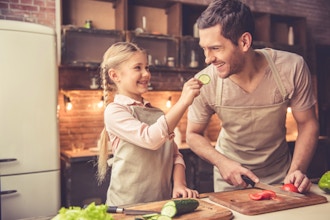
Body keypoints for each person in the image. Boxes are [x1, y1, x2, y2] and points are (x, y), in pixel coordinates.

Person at [186, 0, 319, 193]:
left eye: (215, 48)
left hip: (281, 176)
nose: (208, 59)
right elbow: (192, 134)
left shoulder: (292, 67)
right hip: (230, 179)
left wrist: (297, 169)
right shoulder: (205, 82)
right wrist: (222, 163)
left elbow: (308, 123)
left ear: (244, 42)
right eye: (204, 49)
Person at [97, 42, 202, 206]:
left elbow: (174, 155)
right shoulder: (115, 111)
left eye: (147, 67)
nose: (146, 73)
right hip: (126, 207)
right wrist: (183, 102)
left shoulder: (158, 114)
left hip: (162, 202)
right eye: (137, 68)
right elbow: (150, 139)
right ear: (115, 75)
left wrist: (180, 183)